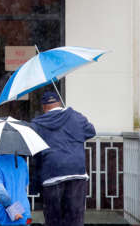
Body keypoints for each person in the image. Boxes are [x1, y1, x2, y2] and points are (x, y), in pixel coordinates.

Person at [30, 91, 96, 226]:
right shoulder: (75, 116)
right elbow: (91, 131)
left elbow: (35, 153)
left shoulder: (37, 124)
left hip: (52, 173)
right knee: (75, 218)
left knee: (53, 219)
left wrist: (35, 185)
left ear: (43, 107)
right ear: (60, 103)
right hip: (76, 171)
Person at [0, 154, 32, 226]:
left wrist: (13, 211)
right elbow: (25, 185)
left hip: (4, 216)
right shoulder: (22, 161)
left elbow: (1, 192)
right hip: (25, 214)